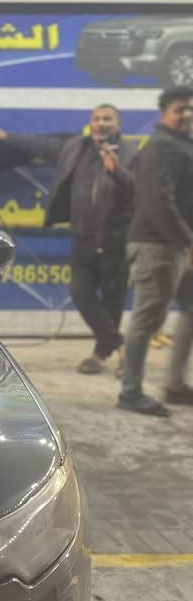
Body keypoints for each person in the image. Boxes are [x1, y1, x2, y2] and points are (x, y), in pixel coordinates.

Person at [0, 104, 136, 374]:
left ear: (118, 125)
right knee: (80, 293)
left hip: (115, 239)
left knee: (112, 301)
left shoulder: (131, 153)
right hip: (82, 237)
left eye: (107, 119)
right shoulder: (74, 148)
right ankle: (120, 345)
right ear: (91, 123)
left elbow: (137, 190)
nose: (101, 123)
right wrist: (7, 137)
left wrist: (116, 169)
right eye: (97, 119)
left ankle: (101, 356)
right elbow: (41, 146)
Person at [117, 87, 193, 417]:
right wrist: (187, 241)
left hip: (174, 243)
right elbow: (159, 201)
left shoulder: (181, 144)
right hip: (157, 245)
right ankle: (130, 393)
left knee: (189, 309)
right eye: (180, 109)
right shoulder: (162, 147)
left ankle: (175, 384)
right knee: (147, 319)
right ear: (165, 113)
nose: (187, 114)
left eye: (190, 109)